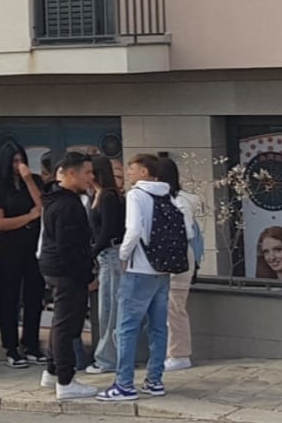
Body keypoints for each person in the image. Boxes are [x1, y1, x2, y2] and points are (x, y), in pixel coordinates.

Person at [97, 154, 175, 402]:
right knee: (158, 327)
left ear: (144, 172)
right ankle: (154, 380)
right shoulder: (167, 194)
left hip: (139, 267)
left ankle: (124, 384)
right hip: (162, 269)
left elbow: (134, 229)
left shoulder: (136, 195)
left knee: (126, 329)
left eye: (131, 169)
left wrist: (123, 254)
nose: (128, 174)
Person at [38, 153, 97, 400]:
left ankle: (53, 371)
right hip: (66, 272)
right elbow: (68, 247)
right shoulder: (66, 205)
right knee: (66, 325)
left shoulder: (58, 199)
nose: (91, 177)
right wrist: (85, 273)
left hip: (56, 267)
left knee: (61, 322)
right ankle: (65, 379)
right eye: (87, 173)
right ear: (71, 174)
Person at [0, 143, 45, 368]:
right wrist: (28, 218)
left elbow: (42, 207)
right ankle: (11, 347)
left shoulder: (33, 181)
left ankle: (31, 343)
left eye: (21, 160)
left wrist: (29, 179)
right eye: (14, 161)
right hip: (11, 246)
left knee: (34, 296)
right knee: (10, 298)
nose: (18, 165)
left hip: (34, 246)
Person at [156, 157, 199, 373]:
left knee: (175, 306)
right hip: (166, 256)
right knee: (166, 306)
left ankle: (180, 353)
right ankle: (171, 351)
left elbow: (186, 231)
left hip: (179, 255)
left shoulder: (181, 201)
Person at [85, 155, 125, 375]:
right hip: (105, 256)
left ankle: (107, 359)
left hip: (110, 254)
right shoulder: (96, 195)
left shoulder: (109, 196)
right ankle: (109, 356)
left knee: (109, 310)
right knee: (106, 309)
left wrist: (90, 253)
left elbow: (107, 231)